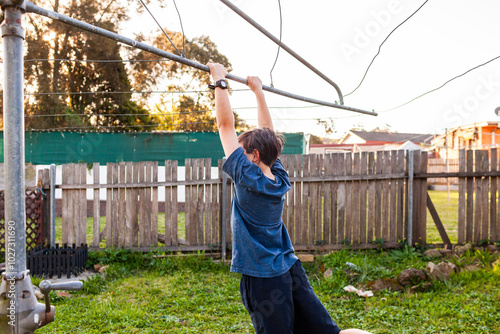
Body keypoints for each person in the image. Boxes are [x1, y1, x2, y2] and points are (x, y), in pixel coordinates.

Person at [207, 62, 373, 334]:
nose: (235, 151)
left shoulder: (248, 178)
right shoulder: (279, 177)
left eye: (241, 150)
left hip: (264, 279)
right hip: (289, 270)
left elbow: (225, 126)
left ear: (255, 157)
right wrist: (258, 92)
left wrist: (219, 81)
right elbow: (268, 136)